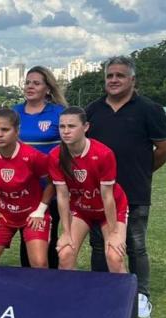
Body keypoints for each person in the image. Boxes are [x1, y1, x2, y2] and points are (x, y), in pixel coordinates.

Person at [86, 55, 166, 318]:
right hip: (99, 194)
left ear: (132, 80)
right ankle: (101, 288)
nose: (114, 80)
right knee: (99, 244)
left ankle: (140, 295)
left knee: (135, 245)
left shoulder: (149, 109)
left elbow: (165, 148)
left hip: (134, 191)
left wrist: (142, 172)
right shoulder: (92, 110)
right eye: (109, 76)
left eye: (120, 75)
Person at [50, 107, 128, 273]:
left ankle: (124, 291)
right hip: (82, 209)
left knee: (114, 256)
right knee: (65, 253)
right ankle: (69, 290)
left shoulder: (103, 153)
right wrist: (66, 232)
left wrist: (114, 233)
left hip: (110, 208)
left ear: (85, 127)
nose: (66, 131)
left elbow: (107, 197)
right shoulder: (55, 156)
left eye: (71, 126)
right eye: (62, 126)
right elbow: (62, 196)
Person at [0, 109, 54, 267]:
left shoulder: (33, 156)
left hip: (32, 215)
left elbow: (51, 184)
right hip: (3, 215)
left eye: (5, 130)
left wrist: (40, 211)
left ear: (17, 131)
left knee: (39, 263)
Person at [13, 66, 67, 268]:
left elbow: (70, 148)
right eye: (27, 82)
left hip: (51, 188)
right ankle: (27, 279)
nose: (30, 86)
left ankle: (50, 280)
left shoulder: (58, 113)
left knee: (48, 237)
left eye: (36, 83)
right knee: (26, 235)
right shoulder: (15, 112)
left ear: (48, 88)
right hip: (22, 187)